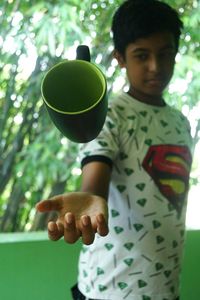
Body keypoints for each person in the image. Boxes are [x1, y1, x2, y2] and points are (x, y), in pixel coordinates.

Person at [36, 0, 193, 299]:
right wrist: (90, 201)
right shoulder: (111, 114)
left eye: (165, 54)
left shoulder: (181, 122)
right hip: (108, 290)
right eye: (141, 55)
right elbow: (96, 176)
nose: (155, 67)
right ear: (120, 58)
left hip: (165, 288)